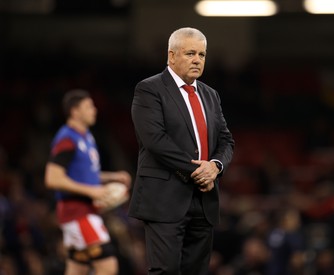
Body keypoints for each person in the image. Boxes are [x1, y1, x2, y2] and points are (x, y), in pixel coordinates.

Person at [128, 27, 235, 275]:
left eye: (202, 54)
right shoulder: (149, 89)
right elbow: (155, 140)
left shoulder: (210, 95)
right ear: (171, 56)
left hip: (204, 200)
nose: (197, 59)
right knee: (166, 270)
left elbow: (226, 140)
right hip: (164, 198)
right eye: (190, 53)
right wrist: (200, 171)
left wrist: (215, 167)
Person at [44, 89, 131, 275]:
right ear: (75, 112)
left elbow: (85, 175)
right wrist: (92, 192)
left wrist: (112, 177)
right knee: (108, 267)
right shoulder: (67, 138)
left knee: (78, 268)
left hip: (83, 212)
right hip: (77, 213)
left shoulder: (86, 137)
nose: (94, 110)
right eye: (89, 106)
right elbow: (52, 178)